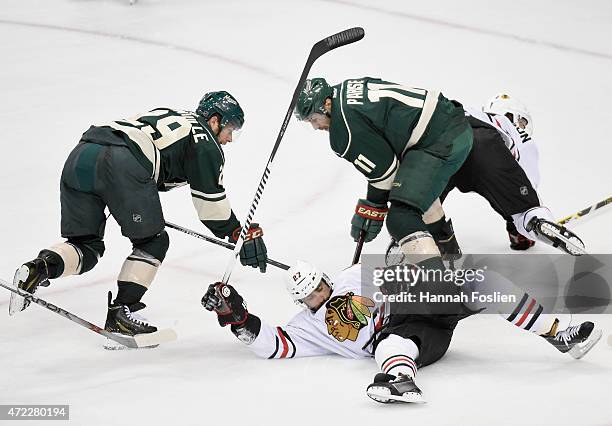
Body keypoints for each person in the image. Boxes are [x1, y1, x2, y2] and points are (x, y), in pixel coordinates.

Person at [9, 91, 268, 340]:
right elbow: (211, 207)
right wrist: (237, 232)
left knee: (85, 247)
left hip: (82, 154)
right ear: (214, 120)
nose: (229, 139)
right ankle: (121, 312)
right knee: (153, 242)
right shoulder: (206, 142)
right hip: (122, 161)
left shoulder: (175, 115)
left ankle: (39, 268)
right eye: (230, 130)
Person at [201, 260, 601, 404]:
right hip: (413, 337)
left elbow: (400, 276)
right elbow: (271, 345)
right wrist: (237, 316)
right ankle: (401, 382)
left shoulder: (351, 276)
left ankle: (558, 332)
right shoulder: (305, 328)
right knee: (390, 343)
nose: (319, 297)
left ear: (326, 278)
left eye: (320, 288)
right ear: (301, 302)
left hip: (415, 304)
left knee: (485, 281)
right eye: (310, 297)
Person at [294, 77, 473, 286]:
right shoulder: (344, 89)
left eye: (314, 119)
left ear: (326, 105)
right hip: (450, 123)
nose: (316, 127)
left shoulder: (343, 130)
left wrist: (373, 206)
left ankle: (442, 288)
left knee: (400, 218)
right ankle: (450, 256)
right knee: (413, 194)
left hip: (439, 141)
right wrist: (372, 205)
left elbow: (386, 174)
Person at [422, 93, 585, 256]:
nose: (522, 126)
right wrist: (527, 215)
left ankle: (412, 235)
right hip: (483, 146)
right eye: (522, 121)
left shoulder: (470, 112)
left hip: (441, 143)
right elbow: (522, 182)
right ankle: (535, 223)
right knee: (526, 209)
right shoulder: (513, 129)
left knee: (422, 203)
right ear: (510, 115)